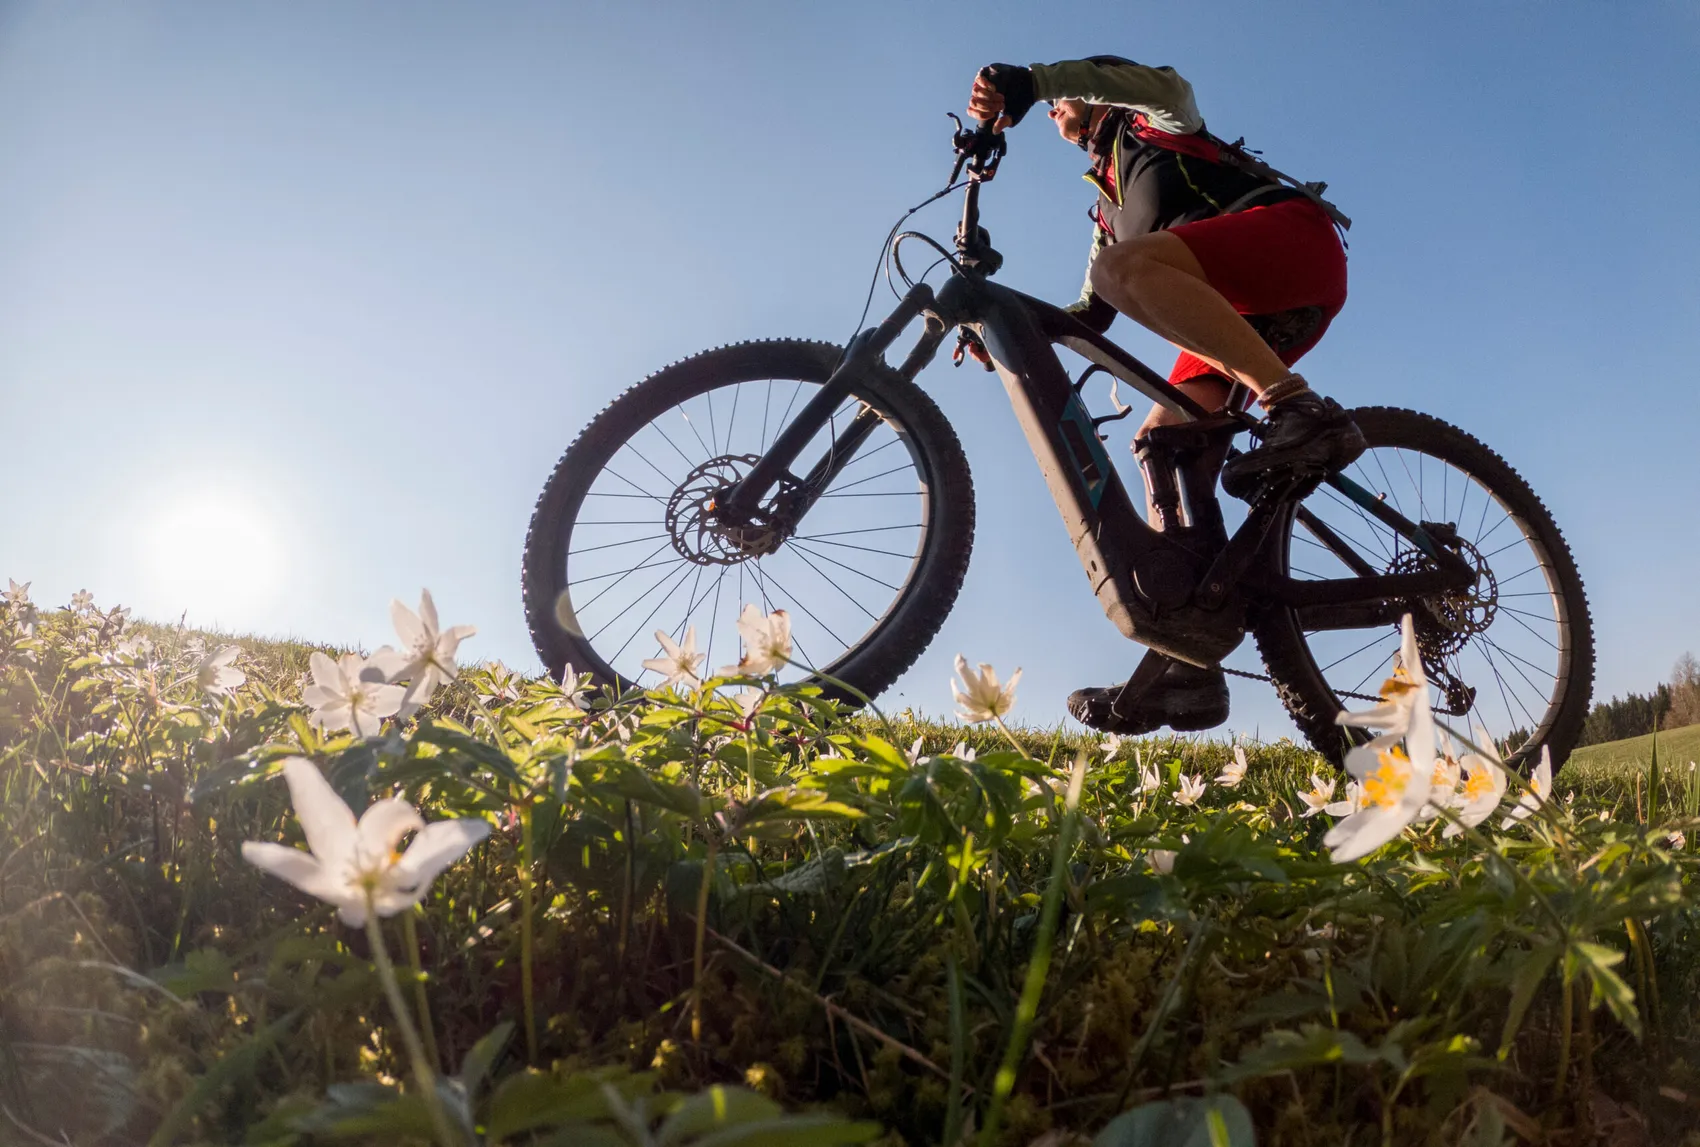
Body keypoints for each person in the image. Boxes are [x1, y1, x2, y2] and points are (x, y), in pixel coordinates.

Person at [967, 56, 1366, 735]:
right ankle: (1189, 659)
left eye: (1065, 97)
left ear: (1092, 97)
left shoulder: (1156, 123)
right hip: (1238, 317)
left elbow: (1164, 84)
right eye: (1053, 101)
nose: (1056, 109)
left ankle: (1297, 406)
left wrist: (1035, 80)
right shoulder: (1108, 212)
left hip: (1291, 246)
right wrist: (996, 330)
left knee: (1122, 269)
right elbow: (1089, 314)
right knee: (1162, 440)